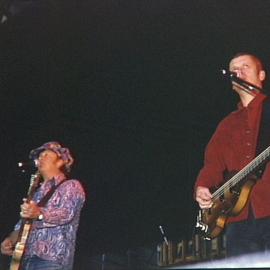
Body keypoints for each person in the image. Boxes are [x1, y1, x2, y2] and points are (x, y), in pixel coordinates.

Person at [194, 52, 270, 257]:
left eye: (245, 67)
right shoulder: (227, 125)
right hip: (238, 220)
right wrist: (203, 187)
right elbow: (213, 164)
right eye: (234, 70)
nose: (238, 72)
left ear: (261, 74)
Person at [0, 141, 86, 270]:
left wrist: (39, 213)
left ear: (60, 162)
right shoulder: (36, 192)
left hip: (52, 259)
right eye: (39, 156)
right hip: (26, 258)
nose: (40, 157)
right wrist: (11, 239)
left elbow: (66, 214)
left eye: (46, 155)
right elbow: (23, 223)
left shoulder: (71, 186)